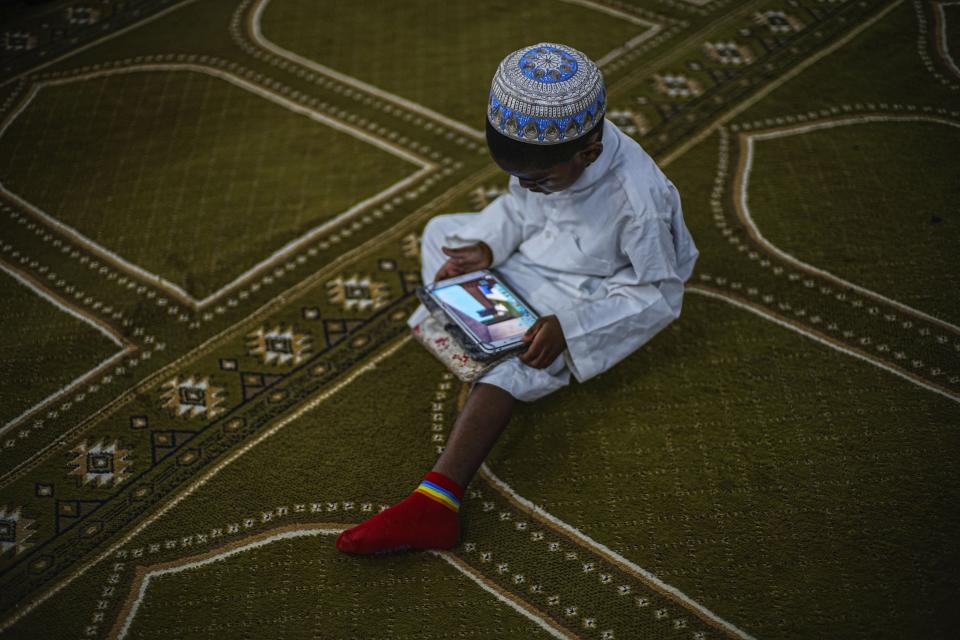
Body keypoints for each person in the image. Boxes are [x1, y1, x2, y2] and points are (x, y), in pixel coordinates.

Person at [335, 43, 699, 555]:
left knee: (511, 362)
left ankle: (437, 501)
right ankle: (489, 343)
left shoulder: (637, 202)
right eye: (521, 176)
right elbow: (519, 209)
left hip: (588, 292)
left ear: (589, 152)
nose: (529, 186)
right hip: (533, 259)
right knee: (445, 234)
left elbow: (657, 293)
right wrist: (486, 246)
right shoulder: (548, 159)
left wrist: (570, 326)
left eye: (539, 179)